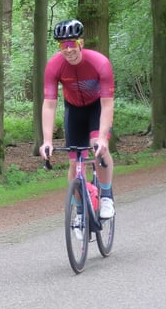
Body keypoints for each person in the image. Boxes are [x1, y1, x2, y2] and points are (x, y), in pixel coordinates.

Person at [39, 18, 115, 219]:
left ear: (81, 43)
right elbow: (49, 104)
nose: (68, 49)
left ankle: (106, 196)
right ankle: (80, 211)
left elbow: (107, 104)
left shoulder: (100, 63)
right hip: (73, 111)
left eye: (72, 43)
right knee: (75, 163)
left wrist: (102, 137)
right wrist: (47, 141)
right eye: (63, 45)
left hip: (97, 108)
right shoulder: (54, 66)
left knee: (96, 146)